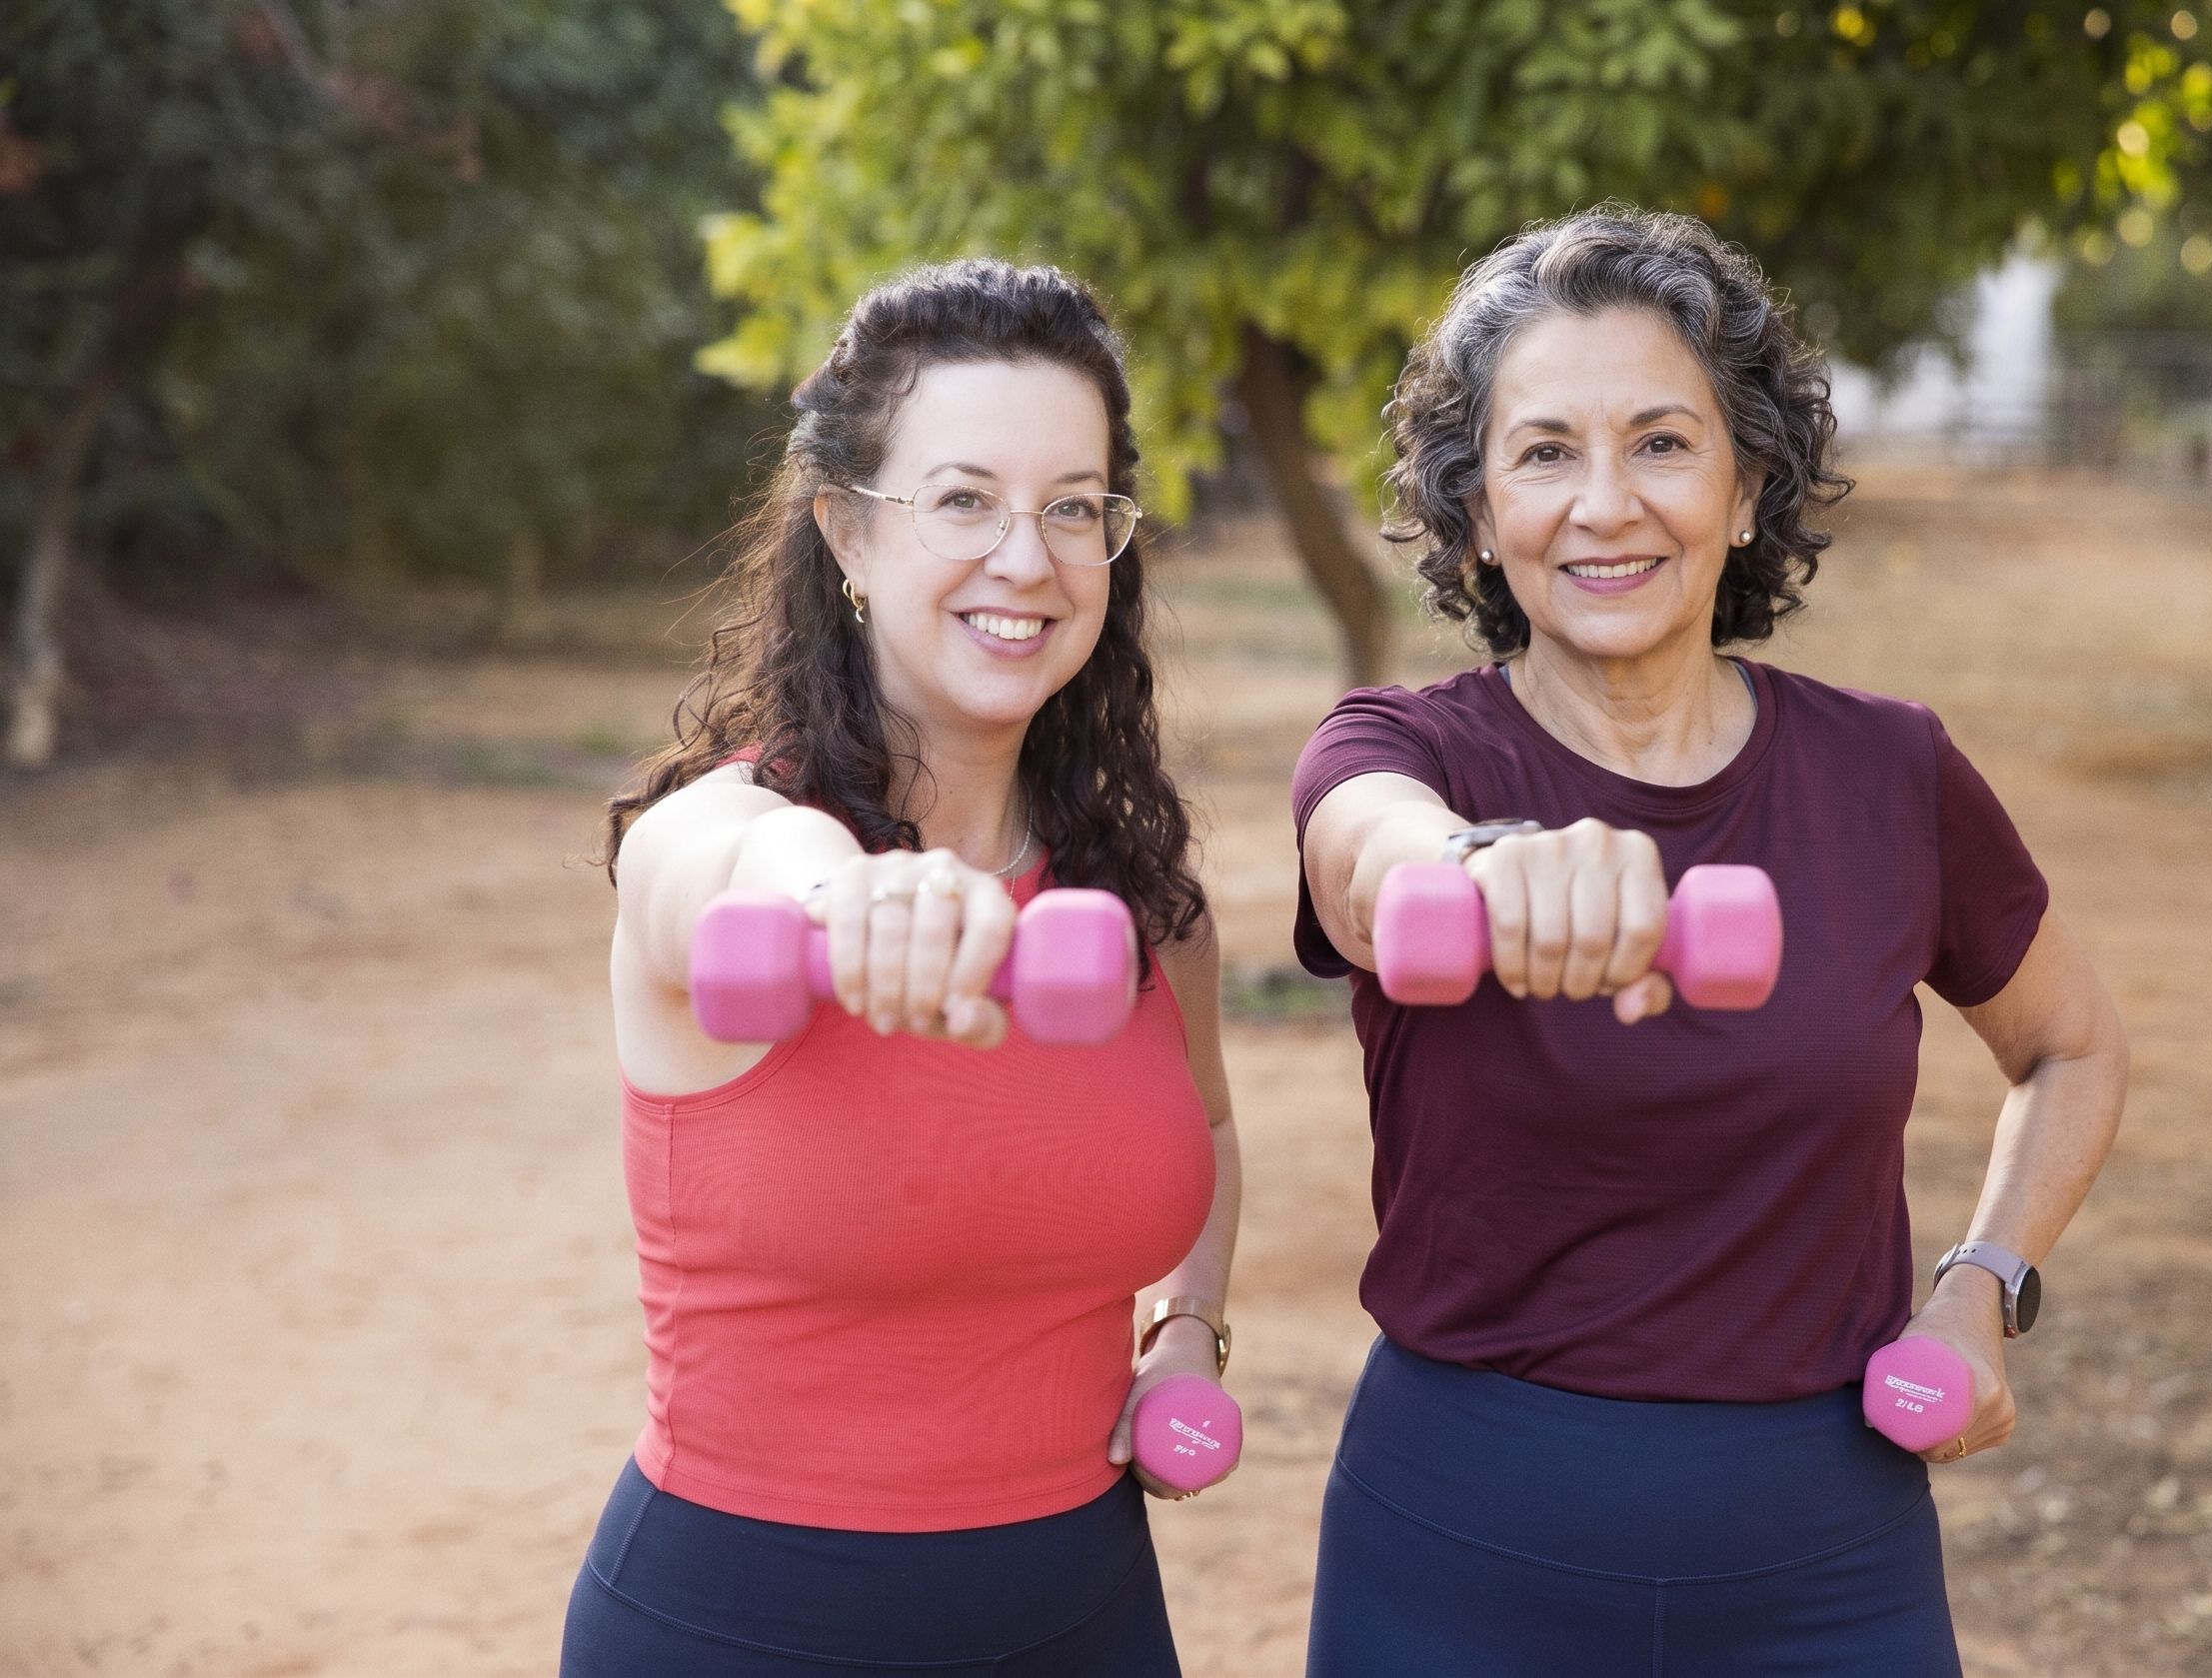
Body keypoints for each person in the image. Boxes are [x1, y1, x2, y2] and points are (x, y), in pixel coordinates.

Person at [1292, 206, 2129, 1675]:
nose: (1603, 503)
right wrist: (1486, 867)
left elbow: (2068, 1045)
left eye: (1661, 444)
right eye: (1543, 451)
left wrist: (1978, 1287)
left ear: (1745, 490)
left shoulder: (1892, 772)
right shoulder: (1400, 752)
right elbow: (1366, 857)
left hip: (1827, 1551)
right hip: (1459, 1544)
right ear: (1479, 513)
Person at [562, 259, 1241, 1677]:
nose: (1026, 555)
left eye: (1073, 507)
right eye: (963, 499)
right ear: (846, 538)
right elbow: (723, 871)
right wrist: (850, 896)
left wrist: (1187, 1330)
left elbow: (1209, 1130)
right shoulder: (726, 842)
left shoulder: (1137, 902)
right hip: (736, 1626)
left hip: (1088, 1616)